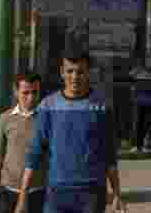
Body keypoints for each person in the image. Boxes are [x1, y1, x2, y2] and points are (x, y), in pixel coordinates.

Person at [17, 45, 125, 213]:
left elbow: (109, 154)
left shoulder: (101, 107)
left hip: (92, 192)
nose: (74, 77)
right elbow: (35, 153)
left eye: (80, 72)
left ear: (88, 72)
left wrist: (117, 193)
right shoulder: (48, 106)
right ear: (62, 72)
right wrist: (23, 197)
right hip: (57, 191)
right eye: (70, 71)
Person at [0, 73, 45, 213]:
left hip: (37, 191)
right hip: (7, 190)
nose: (31, 97)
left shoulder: (46, 118)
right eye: (25, 93)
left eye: (35, 92)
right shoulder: (5, 118)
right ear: (16, 92)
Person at [131, 46, 151, 152]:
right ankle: (136, 145)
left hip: (150, 101)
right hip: (139, 100)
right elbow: (131, 75)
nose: (150, 61)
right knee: (138, 123)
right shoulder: (139, 69)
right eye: (148, 58)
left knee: (147, 123)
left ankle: (145, 144)